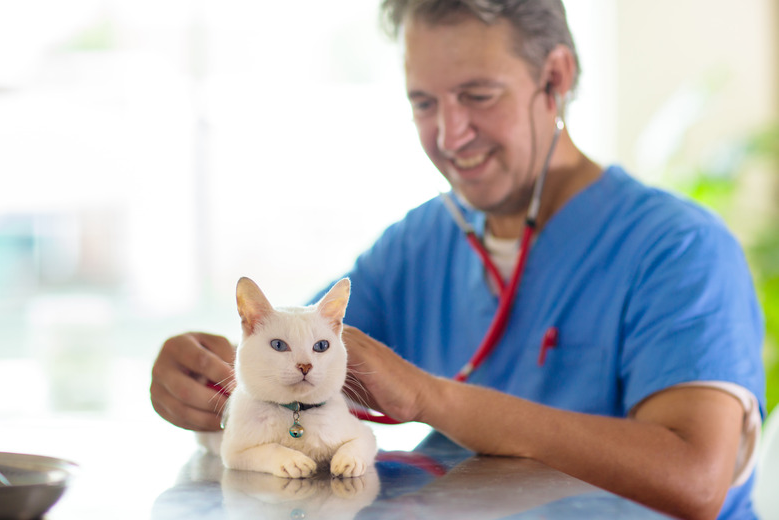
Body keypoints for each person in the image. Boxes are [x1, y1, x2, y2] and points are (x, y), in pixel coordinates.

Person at [150, 1, 766, 519]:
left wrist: (430, 398)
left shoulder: (678, 249)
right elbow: (299, 365)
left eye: (477, 95)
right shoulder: (419, 245)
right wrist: (212, 377)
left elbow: (695, 480)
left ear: (556, 77)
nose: (449, 135)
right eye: (424, 103)